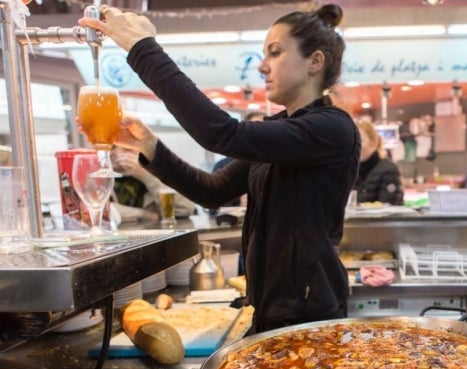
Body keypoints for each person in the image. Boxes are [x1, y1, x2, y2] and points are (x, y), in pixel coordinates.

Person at [80, 3, 360, 333]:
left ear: (315, 61)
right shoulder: (283, 132)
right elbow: (212, 191)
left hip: (308, 316)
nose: (262, 67)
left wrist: (143, 50)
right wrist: (150, 147)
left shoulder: (330, 128)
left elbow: (220, 132)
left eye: (275, 53)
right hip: (271, 311)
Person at [110, 146, 196, 223]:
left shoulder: (158, 170)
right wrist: (146, 215)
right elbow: (103, 212)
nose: (118, 153)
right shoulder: (100, 177)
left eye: (126, 148)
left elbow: (185, 209)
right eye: (112, 147)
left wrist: (145, 175)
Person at [209, 111, 265, 211]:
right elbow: (213, 208)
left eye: (265, 128)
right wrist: (239, 203)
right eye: (256, 127)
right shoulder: (222, 165)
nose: (261, 133)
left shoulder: (273, 165)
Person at [354, 120, 404, 205]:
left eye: (360, 140)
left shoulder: (389, 170)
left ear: (373, 142)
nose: (355, 145)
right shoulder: (349, 170)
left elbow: (391, 206)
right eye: (352, 140)